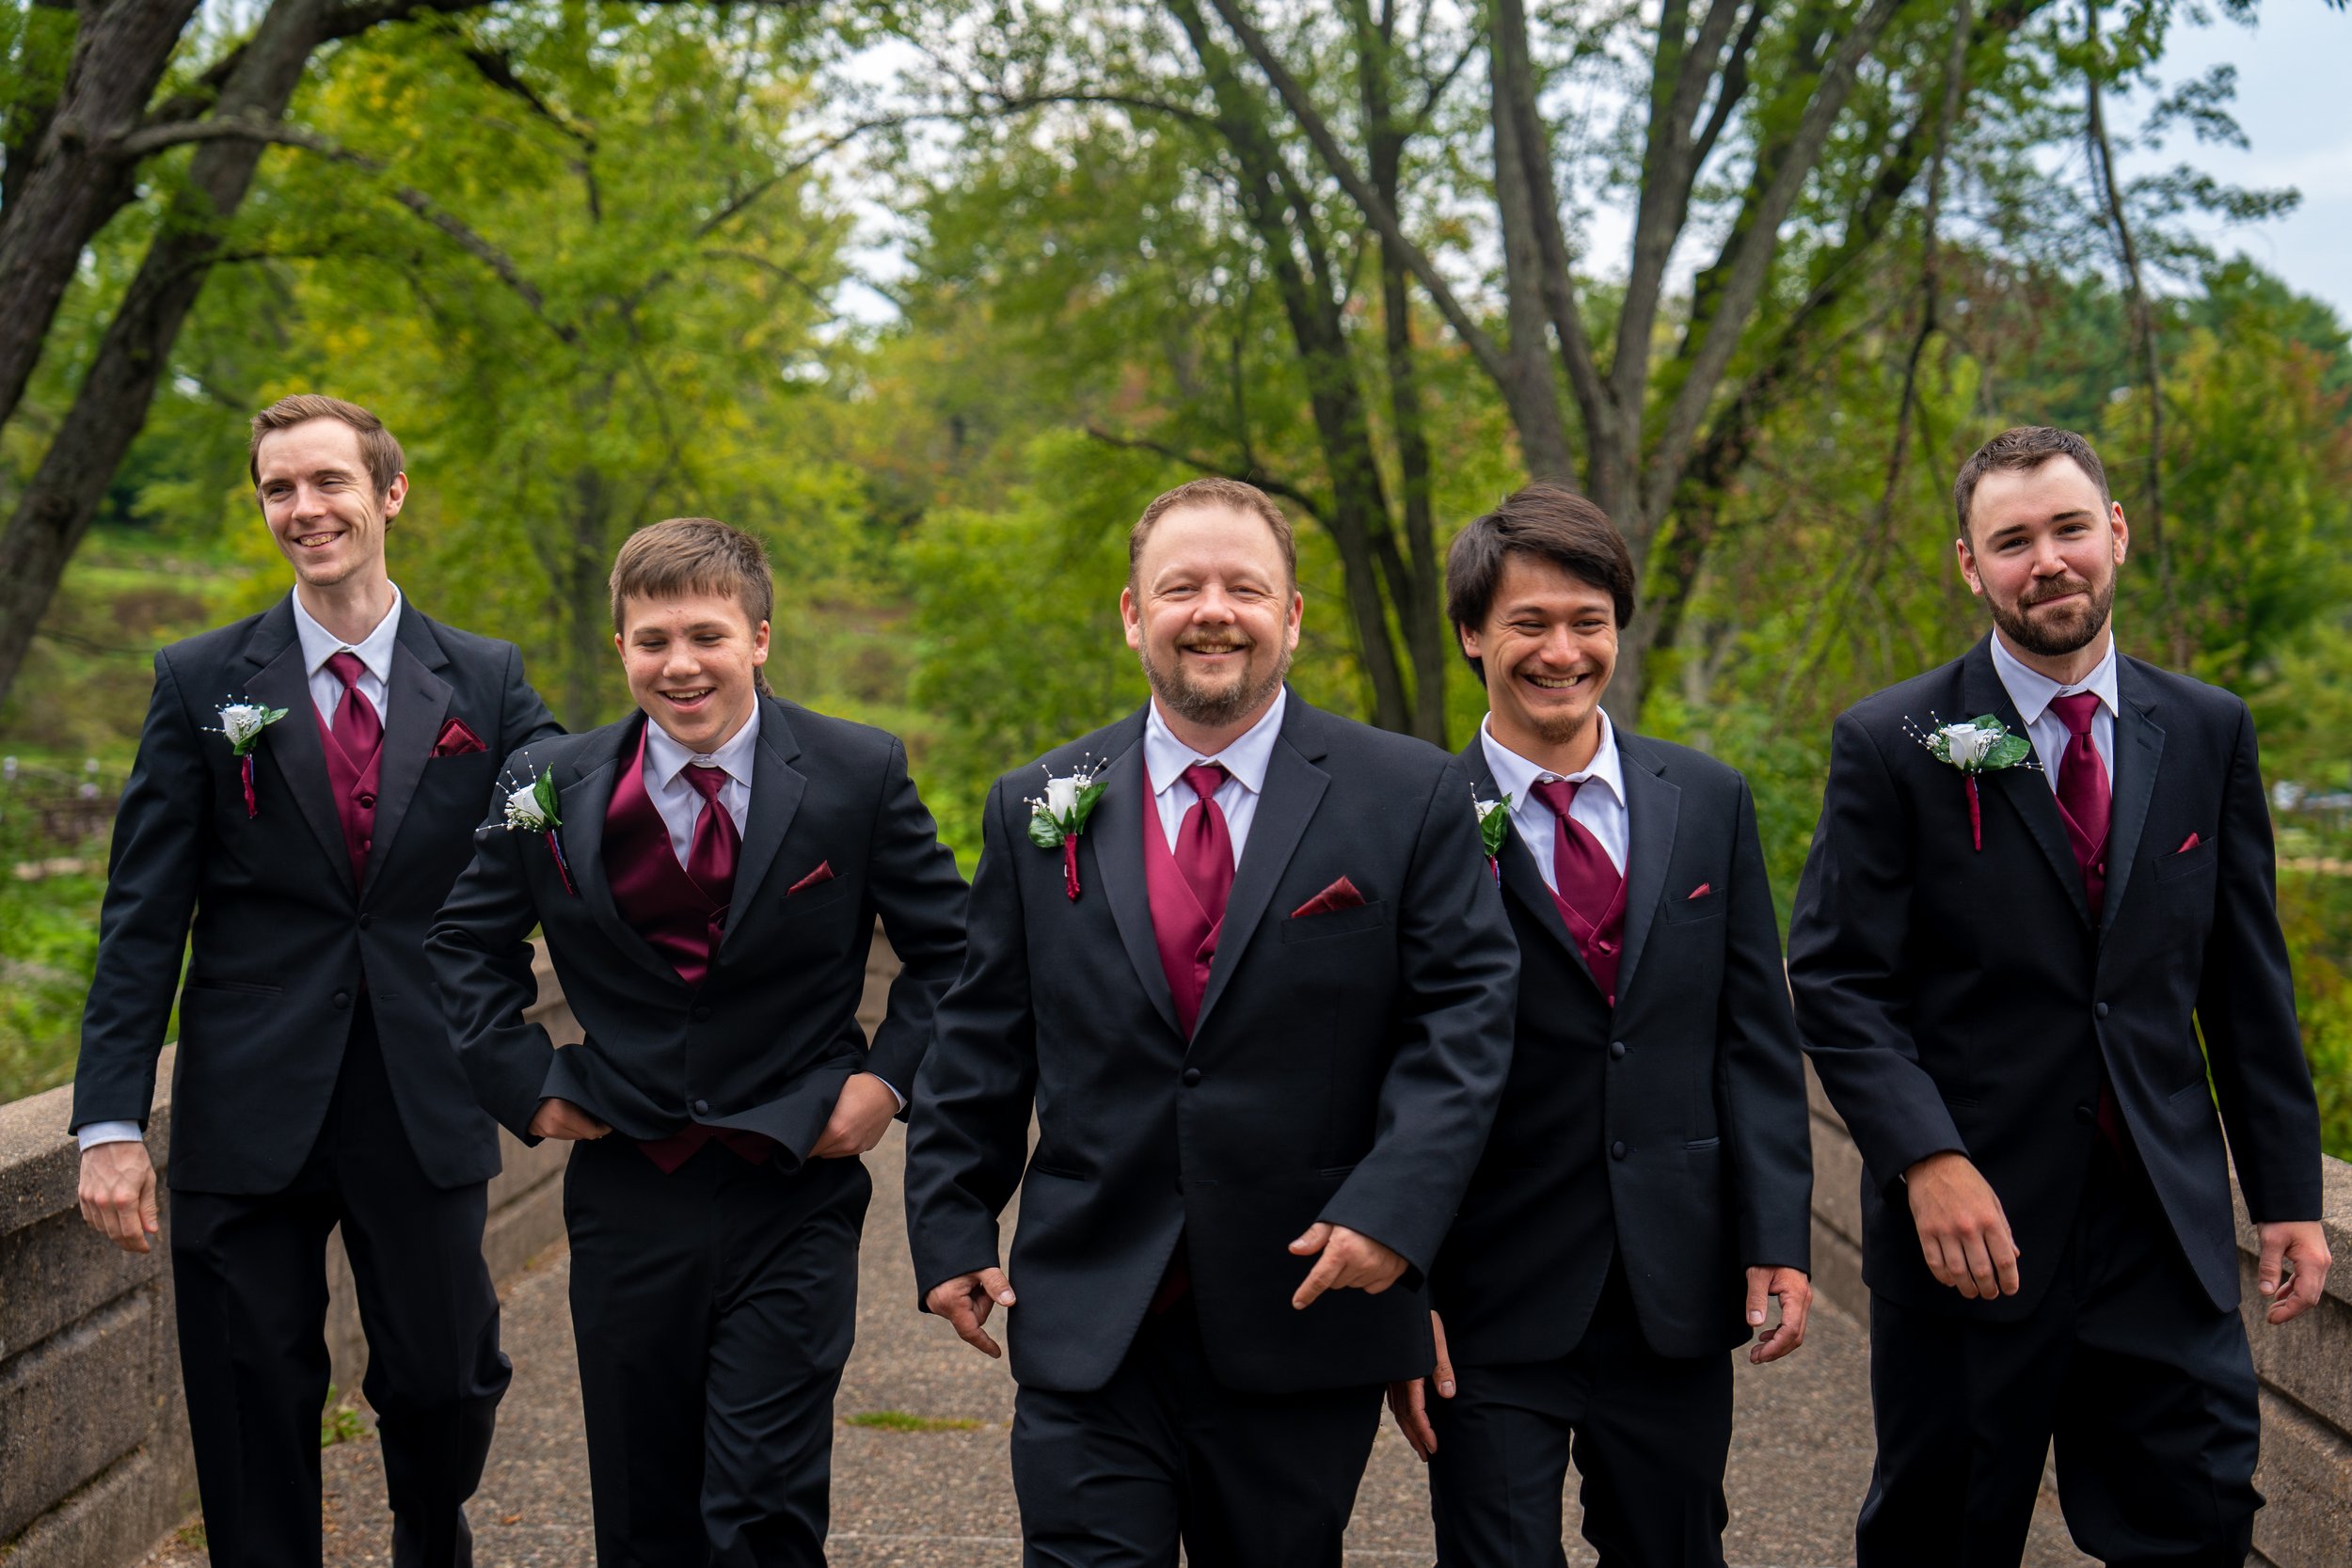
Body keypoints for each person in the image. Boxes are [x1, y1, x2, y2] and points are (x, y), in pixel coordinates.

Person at [903, 476, 1518, 1567]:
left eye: (1245, 585)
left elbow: (1463, 1023)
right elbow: (984, 1033)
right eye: (1180, 586)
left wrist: (1394, 1213)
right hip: (1093, 1311)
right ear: (1134, 614)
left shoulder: (1407, 792)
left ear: (1290, 615)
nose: (1212, 609)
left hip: (1303, 1303)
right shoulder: (1035, 802)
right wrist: (951, 1219)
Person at [1788, 426, 2332, 1566]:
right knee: (1942, 1532)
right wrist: (1926, 1159)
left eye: (2068, 527)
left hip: (2160, 1230)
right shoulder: (1892, 740)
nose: (2047, 560)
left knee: (2199, 1519)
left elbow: (2242, 977)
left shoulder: (2208, 729)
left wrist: (2287, 1194)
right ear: (1968, 565)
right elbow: (1837, 980)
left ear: (2116, 533)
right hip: (1971, 1237)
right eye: (2012, 540)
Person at [71, 393, 559, 1567]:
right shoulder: (200, 683)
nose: (305, 509)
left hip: (423, 1089)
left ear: (388, 494)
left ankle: (424, 1540)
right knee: (248, 1399)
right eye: (280, 488)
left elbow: (572, 842)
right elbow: (144, 916)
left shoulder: (486, 684)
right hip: (247, 1099)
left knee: (449, 1377)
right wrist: (106, 1120)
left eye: (328, 482)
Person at [427, 516, 965, 1565]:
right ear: (619, 649)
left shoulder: (857, 771)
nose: (681, 664)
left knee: (762, 1502)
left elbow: (955, 953)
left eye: (707, 635)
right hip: (629, 1186)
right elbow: (459, 944)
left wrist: (887, 1083)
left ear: (760, 638)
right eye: (653, 638)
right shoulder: (551, 782)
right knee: (643, 1507)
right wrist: (524, 1084)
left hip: (793, 1184)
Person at [1385, 483, 1815, 1567]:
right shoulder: (1408, 817)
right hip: (1487, 1295)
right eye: (1529, 623)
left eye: (1588, 621)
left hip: (1671, 1285)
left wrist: (1775, 1235)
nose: (1561, 650)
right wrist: (1403, 1291)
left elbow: (1753, 1038)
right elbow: (1379, 1068)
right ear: (1474, 633)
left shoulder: (1707, 799)